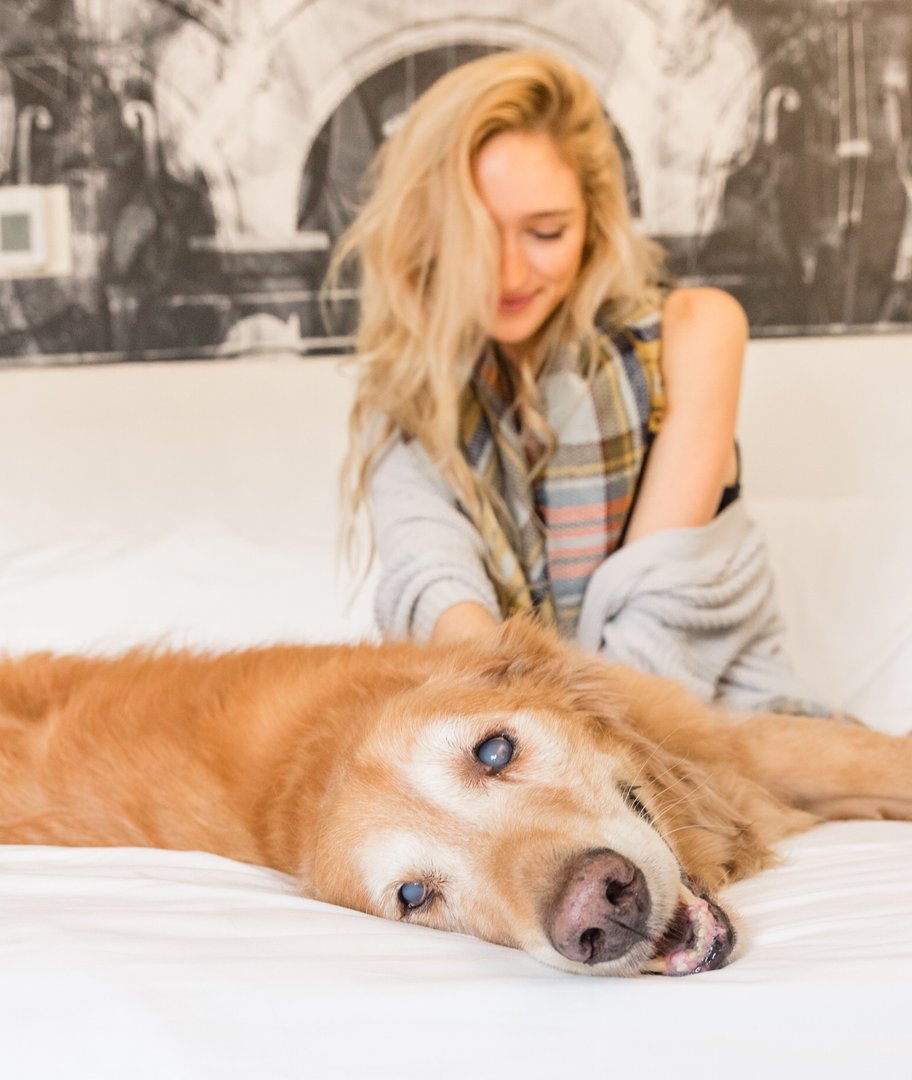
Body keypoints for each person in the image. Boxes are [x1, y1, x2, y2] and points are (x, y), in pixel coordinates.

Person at [329, 50, 828, 716]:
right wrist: (520, 719)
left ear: (594, 219)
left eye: (545, 231)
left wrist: (555, 738)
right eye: (475, 236)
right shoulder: (404, 393)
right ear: (428, 231)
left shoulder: (696, 333)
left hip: (721, 727)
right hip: (518, 728)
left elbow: (659, 626)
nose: (507, 275)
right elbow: (435, 589)